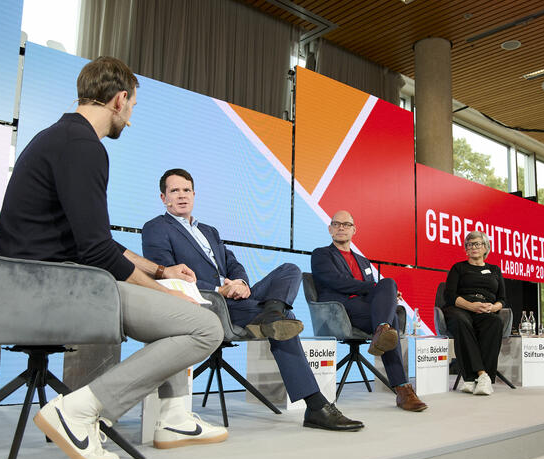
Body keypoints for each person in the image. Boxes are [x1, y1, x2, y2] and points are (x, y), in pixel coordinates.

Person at [0, 57, 228, 459]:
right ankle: (79, 410)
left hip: (39, 280)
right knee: (204, 325)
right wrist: (168, 295)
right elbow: (99, 253)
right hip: (49, 288)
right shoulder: (85, 147)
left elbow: (99, 241)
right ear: (120, 100)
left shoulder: (63, 138)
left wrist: (159, 272)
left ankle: (172, 419)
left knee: (176, 310)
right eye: (133, 106)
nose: (131, 118)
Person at [142, 169, 364, 431]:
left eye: (186, 190)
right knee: (286, 321)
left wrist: (241, 284)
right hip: (209, 303)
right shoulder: (156, 228)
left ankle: (271, 313)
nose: (181, 196)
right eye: (174, 191)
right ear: (163, 197)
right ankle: (316, 405)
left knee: (290, 269)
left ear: (194, 194)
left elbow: (232, 263)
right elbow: (168, 276)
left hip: (238, 299)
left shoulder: (208, 231)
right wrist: (218, 289)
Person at [310, 210, 427, 412]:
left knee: (388, 284)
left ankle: (382, 329)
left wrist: (386, 294)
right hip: (340, 310)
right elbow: (336, 282)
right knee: (391, 318)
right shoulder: (321, 254)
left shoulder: (363, 261)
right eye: (336, 224)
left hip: (363, 310)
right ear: (330, 229)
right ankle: (402, 389)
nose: (341, 227)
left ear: (354, 230)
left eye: (346, 224)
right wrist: (374, 289)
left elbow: (373, 288)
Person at [442, 231, 506, 396]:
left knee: (495, 322)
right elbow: (449, 296)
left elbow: (502, 299)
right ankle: (482, 375)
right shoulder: (459, 268)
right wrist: (471, 306)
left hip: (485, 310)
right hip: (460, 307)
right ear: (466, 249)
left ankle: (471, 379)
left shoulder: (495, 270)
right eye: (470, 244)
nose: (473, 247)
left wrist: (493, 308)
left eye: (477, 243)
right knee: (462, 321)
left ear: (485, 247)